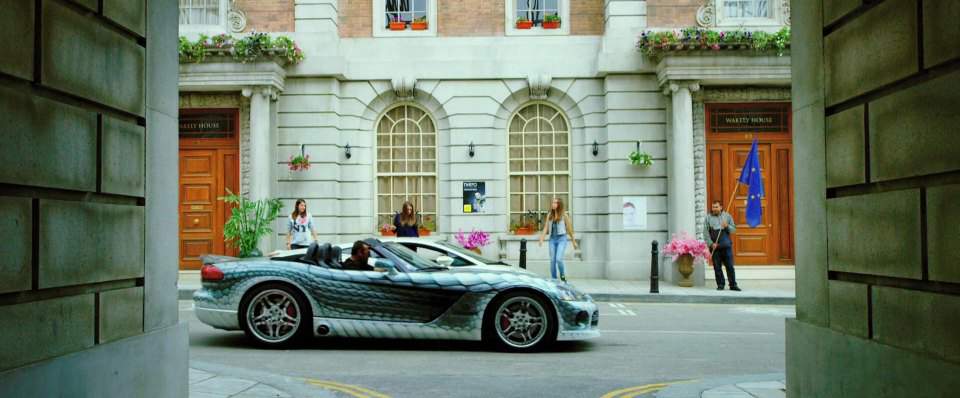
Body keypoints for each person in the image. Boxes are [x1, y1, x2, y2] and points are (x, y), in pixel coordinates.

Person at [538, 198, 577, 282]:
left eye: (555, 203)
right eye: (552, 202)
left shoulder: (564, 215)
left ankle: (563, 278)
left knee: (559, 259)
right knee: (552, 260)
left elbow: (569, 229)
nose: (553, 204)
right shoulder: (550, 215)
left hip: (562, 239)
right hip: (552, 239)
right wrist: (542, 238)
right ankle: (554, 279)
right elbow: (546, 228)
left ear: (559, 205)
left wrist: (574, 241)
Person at [704, 200, 740, 291]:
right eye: (713, 207)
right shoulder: (708, 218)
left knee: (730, 266)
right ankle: (720, 284)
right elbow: (705, 233)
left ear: (721, 207)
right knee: (717, 267)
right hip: (715, 247)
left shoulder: (727, 216)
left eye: (716, 207)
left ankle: (733, 285)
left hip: (726, 246)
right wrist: (711, 244)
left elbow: (734, 230)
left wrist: (727, 226)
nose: (714, 209)